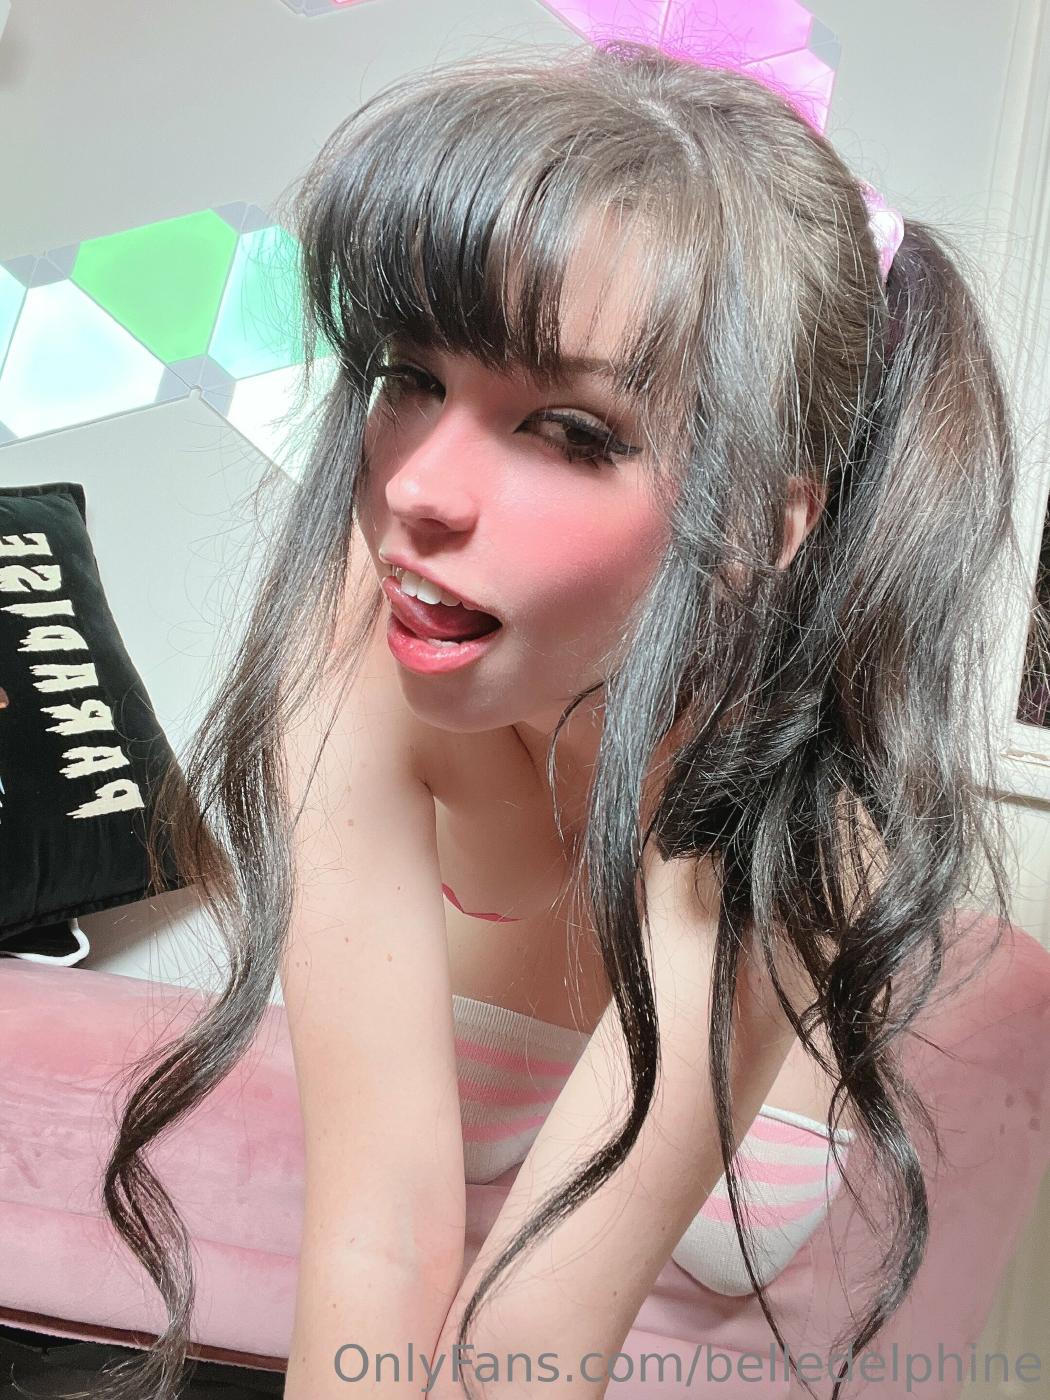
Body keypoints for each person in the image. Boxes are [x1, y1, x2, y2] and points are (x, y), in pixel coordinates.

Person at [83, 36, 1027, 1400]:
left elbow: (536, 1332)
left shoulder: (799, 796)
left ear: (759, 525)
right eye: (410, 377)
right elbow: (376, 1231)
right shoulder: (351, 630)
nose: (419, 490)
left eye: (571, 432)